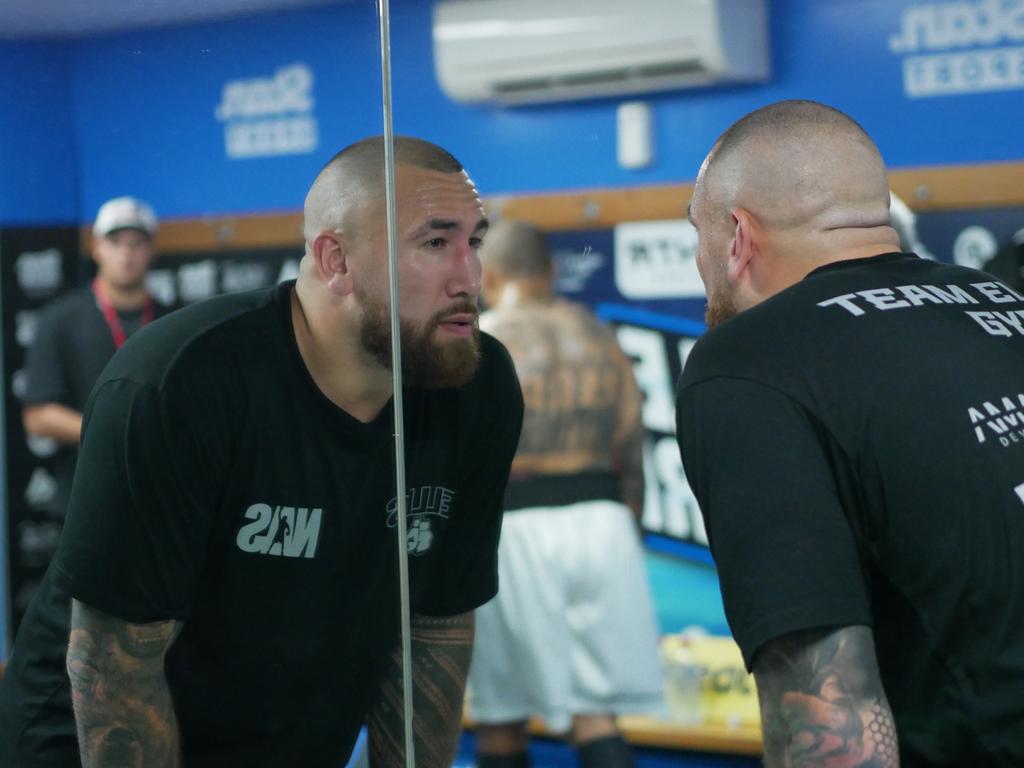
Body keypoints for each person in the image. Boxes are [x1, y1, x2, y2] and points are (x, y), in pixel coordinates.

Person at [0, 136, 524, 768]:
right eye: (436, 243)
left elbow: (434, 630)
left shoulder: (476, 383)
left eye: (476, 242)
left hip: (289, 735)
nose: (470, 276)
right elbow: (118, 673)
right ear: (335, 260)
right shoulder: (181, 383)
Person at [675, 99, 1024, 766]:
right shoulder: (1006, 305)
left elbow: (827, 718)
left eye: (698, 233)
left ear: (737, 236)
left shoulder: (748, 365)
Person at [468, 220, 663, 768]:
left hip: (516, 527)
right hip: (604, 524)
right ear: (551, 272)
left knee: (500, 714)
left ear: (491, 274)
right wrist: (630, 530)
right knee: (595, 712)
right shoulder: (601, 338)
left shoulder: (481, 340)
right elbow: (632, 443)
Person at [20, 196, 167, 518]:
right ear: (97, 247)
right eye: (116, 242)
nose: (126, 254)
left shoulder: (175, 320)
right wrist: (114, 433)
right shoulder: (59, 318)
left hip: (161, 498)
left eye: (136, 243)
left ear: (150, 250)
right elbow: (38, 416)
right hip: (83, 501)